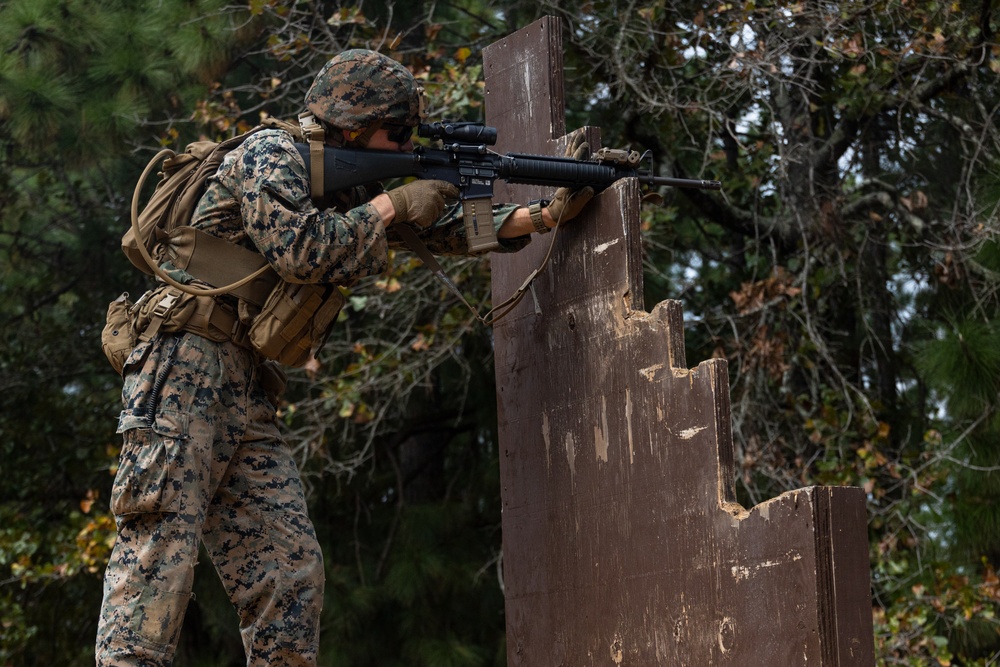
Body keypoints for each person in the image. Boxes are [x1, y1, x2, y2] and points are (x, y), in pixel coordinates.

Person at [95, 49, 594, 666]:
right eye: (396, 134)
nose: (401, 147)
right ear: (353, 123)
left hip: (246, 385)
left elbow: (435, 229)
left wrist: (540, 216)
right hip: (183, 362)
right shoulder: (269, 155)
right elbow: (303, 250)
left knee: (288, 568)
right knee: (158, 542)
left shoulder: (348, 183)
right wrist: (392, 204)